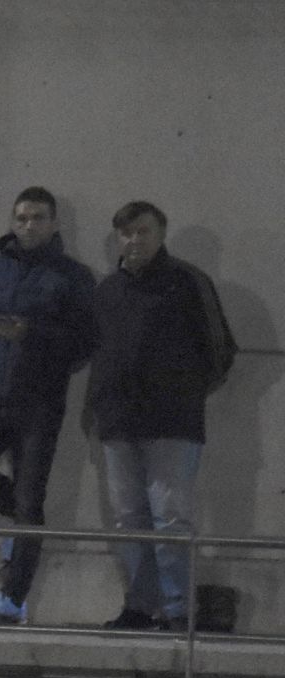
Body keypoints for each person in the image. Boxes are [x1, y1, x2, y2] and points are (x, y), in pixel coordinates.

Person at [0, 187, 97, 624]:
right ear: (12, 222)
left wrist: (31, 335)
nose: (28, 225)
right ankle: (22, 526)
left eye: (37, 217)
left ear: (54, 224)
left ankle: (12, 599)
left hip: (40, 403)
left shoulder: (73, 276)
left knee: (33, 498)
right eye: (21, 217)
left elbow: (84, 340)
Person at [86, 201, 235, 631]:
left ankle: (176, 610)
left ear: (161, 234)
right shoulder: (107, 291)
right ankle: (139, 605)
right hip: (118, 423)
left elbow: (220, 349)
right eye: (127, 233)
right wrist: (97, 407)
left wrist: (184, 393)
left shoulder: (188, 282)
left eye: (143, 231)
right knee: (129, 518)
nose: (134, 240)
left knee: (170, 517)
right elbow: (100, 356)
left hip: (172, 423)